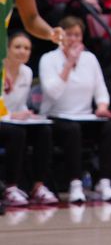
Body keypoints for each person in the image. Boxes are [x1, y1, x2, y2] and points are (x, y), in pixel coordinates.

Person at [39, 16, 111, 203]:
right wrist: (68, 64)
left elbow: (101, 89)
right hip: (56, 116)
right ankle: (75, 184)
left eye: (77, 35)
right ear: (60, 36)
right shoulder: (48, 59)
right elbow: (52, 93)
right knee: (72, 130)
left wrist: (101, 107)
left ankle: (104, 182)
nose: (73, 39)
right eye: (69, 34)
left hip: (85, 116)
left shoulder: (90, 59)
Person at [1, 32, 58, 206]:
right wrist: (11, 115)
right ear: (7, 49)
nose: (22, 51)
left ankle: (38, 186)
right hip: (5, 122)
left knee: (44, 130)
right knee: (17, 133)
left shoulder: (26, 72)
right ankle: (10, 187)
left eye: (27, 48)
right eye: (17, 47)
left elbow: (20, 104)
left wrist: (28, 114)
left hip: (12, 121)